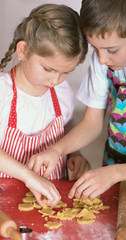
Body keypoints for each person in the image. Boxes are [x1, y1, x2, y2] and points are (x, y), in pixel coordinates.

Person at [27, 0, 126, 200]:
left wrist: (116, 174)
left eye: (112, 50)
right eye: (95, 48)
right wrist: (56, 150)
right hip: (114, 174)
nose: (101, 59)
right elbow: (92, 123)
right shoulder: (105, 60)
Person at [0, 3, 89, 206]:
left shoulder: (62, 91)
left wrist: (75, 153)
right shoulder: (3, 94)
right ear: (23, 51)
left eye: (66, 72)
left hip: (49, 201)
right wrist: (28, 175)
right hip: (5, 205)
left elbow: (66, 124)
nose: (55, 80)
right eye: (48, 69)